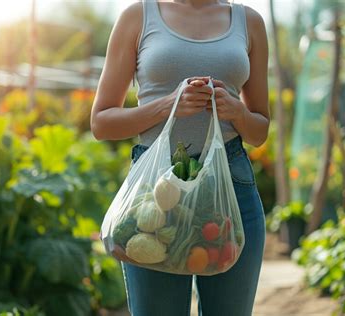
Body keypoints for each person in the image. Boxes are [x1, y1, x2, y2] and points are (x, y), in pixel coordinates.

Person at [91, 0, 269, 315]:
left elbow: (259, 131)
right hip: (154, 197)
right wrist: (168, 104)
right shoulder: (138, 17)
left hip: (231, 187)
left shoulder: (249, 22)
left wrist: (238, 113)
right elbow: (101, 123)